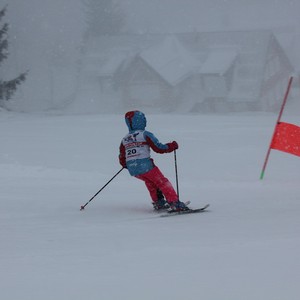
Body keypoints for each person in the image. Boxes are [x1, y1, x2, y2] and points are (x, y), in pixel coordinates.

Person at [119, 110, 189, 212]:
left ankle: (159, 203)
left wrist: (126, 164)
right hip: (145, 165)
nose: (145, 121)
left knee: (150, 182)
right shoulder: (145, 134)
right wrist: (171, 146)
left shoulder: (125, 139)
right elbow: (159, 148)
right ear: (139, 121)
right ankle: (175, 203)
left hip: (133, 169)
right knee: (162, 182)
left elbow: (122, 155)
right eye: (143, 119)